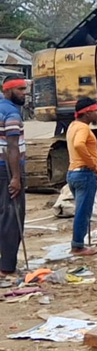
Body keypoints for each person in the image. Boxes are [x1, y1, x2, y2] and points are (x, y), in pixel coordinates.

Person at [0, 78, 28, 277]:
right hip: (8, 170)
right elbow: (12, 147)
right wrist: (16, 177)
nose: (24, 93)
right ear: (8, 90)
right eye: (20, 89)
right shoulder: (11, 113)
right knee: (13, 216)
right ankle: (7, 266)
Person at [67, 97, 97, 257]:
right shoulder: (84, 129)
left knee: (81, 210)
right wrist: (92, 163)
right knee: (83, 211)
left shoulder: (72, 126)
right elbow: (79, 144)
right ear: (87, 113)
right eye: (95, 111)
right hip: (84, 173)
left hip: (73, 172)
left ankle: (78, 243)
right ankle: (78, 246)